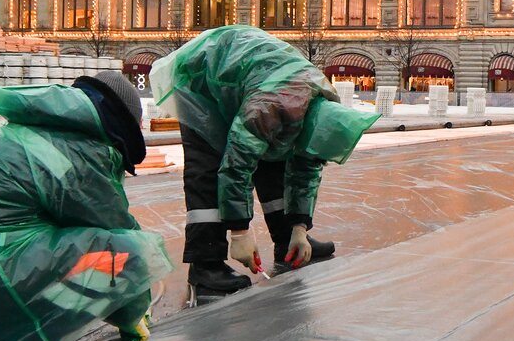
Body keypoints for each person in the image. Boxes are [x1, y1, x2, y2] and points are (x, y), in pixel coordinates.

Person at [0, 71, 171, 341]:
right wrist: (135, 314)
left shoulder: (25, 131)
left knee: (34, 238)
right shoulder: (79, 152)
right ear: (122, 129)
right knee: (115, 250)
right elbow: (121, 239)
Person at [151, 26, 379, 296]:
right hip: (200, 78)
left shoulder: (322, 103)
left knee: (276, 157)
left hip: (250, 78)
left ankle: (287, 242)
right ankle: (206, 264)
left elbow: (306, 167)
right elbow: (236, 167)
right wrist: (240, 233)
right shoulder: (269, 107)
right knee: (209, 169)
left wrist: (299, 228)